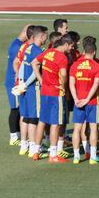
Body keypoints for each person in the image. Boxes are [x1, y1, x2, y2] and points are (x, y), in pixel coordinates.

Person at [31, 34, 73, 163]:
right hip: (56, 93)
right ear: (65, 44)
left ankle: (36, 151)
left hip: (45, 92)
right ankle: (53, 154)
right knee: (55, 123)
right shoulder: (62, 58)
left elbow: (34, 63)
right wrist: (63, 87)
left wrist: (41, 79)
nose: (71, 48)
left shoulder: (48, 52)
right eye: (71, 46)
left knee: (42, 121)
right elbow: (64, 75)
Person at [69, 40, 99, 165]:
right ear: (94, 52)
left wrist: (76, 99)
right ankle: (93, 156)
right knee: (93, 129)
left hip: (78, 102)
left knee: (77, 129)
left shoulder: (75, 65)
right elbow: (96, 85)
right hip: (92, 102)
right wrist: (87, 99)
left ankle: (77, 156)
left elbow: (71, 83)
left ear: (84, 51)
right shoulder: (96, 66)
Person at [18, 26, 47, 156]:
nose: (46, 38)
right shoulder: (38, 51)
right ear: (41, 37)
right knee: (34, 119)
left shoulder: (28, 48)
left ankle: (25, 146)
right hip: (33, 88)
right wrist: (26, 84)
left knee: (27, 118)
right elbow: (35, 73)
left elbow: (22, 67)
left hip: (24, 87)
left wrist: (20, 82)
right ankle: (34, 148)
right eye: (45, 36)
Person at [4, 24, 31, 146]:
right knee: (15, 108)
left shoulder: (16, 44)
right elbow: (17, 65)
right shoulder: (17, 46)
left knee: (19, 108)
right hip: (13, 82)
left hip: (14, 81)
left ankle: (19, 134)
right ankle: (14, 136)